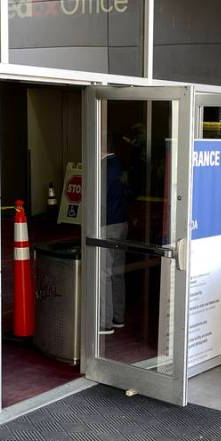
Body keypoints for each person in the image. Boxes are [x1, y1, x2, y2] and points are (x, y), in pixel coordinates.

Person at [100, 139, 130, 335]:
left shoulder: (103, 167)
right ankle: (118, 316)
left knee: (103, 274)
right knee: (117, 272)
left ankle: (105, 322)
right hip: (121, 222)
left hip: (107, 224)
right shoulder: (120, 165)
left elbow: (99, 200)